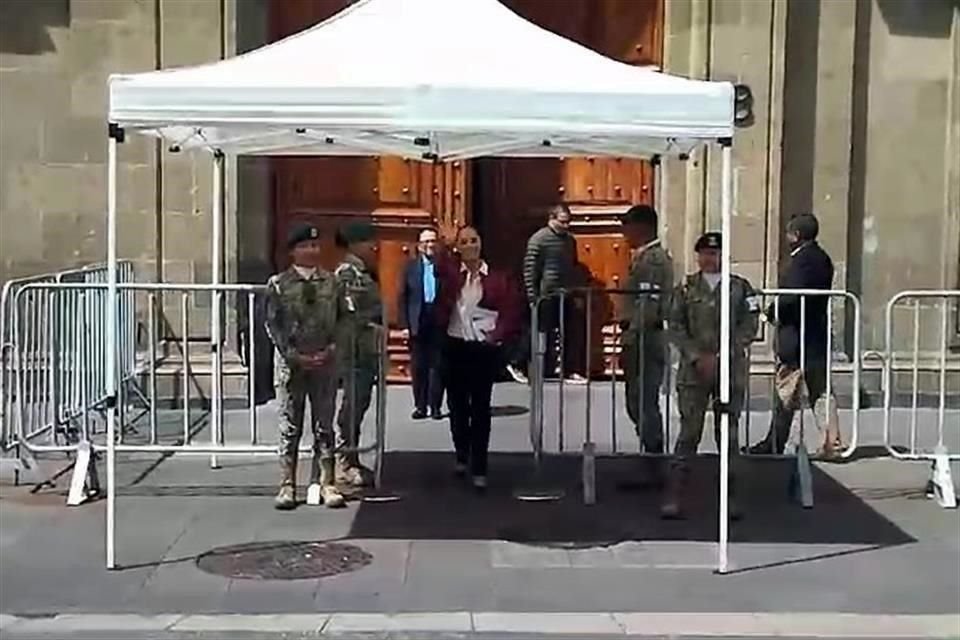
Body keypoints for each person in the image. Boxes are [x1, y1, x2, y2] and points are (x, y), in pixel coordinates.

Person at [662, 232, 760, 519]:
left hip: (729, 370)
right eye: (705, 253)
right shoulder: (686, 288)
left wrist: (722, 355)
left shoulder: (740, 287)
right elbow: (675, 325)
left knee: (728, 434)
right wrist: (696, 356)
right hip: (694, 372)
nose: (710, 258)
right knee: (688, 434)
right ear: (698, 256)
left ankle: (731, 498)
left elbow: (750, 325)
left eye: (715, 253)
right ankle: (675, 495)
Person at [265, 222, 346, 510]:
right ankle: (287, 484)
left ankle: (328, 482)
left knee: (324, 425)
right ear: (293, 252)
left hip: (325, 363)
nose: (311, 250)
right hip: (292, 366)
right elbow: (273, 324)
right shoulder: (279, 285)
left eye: (314, 245)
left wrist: (332, 349)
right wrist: (293, 355)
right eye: (304, 246)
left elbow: (344, 320)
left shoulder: (333, 282)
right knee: (290, 426)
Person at [434, 226, 522, 492]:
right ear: (458, 247)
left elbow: (510, 310)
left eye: (474, 240)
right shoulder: (451, 274)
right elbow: (438, 266)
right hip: (455, 346)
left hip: (483, 349)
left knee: (481, 408)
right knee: (457, 406)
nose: (470, 246)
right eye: (464, 242)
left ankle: (480, 466)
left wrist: (498, 335)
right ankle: (462, 454)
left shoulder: (497, 278)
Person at [748, 213, 843, 457]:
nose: (786, 237)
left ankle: (775, 443)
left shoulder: (802, 261)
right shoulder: (822, 258)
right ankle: (832, 442)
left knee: (786, 392)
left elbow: (791, 296)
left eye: (789, 233)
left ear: (796, 235)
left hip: (797, 337)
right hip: (816, 337)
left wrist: (770, 313)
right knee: (821, 391)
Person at [621, 204, 674, 482]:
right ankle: (651, 457)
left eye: (627, 228)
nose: (624, 234)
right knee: (637, 400)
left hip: (646, 337)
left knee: (643, 401)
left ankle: (654, 462)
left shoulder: (653, 261)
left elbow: (648, 304)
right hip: (640, 335)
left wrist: (632, 333)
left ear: (641, 228)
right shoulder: (643, 257)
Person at [334, 221, 383, 488]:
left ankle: (350, 456)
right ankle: (345, 461)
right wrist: (372, 321)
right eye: (367, 241)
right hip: (353, 350)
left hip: (364, 350)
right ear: (354, 245)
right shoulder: (347, 273)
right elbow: (347, 312)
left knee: (360, 403)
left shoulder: (364, 271)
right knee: (352, 406)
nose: (373, 246)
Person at [522, 203, 585, 383]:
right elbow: (530, 269)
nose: (566, 226)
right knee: (542, 333)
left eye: (568, 222)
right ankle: (539, 370)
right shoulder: (539, 239)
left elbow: (573, 266)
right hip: (546, 295)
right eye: (562, 222)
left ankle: (569, 370)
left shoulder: (570, 241)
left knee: (571, 333)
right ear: (551, 219)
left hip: (566, 293)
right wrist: (532, 296)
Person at [398, 227, 446, 420]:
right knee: (419, 366)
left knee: (438, 366)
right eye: (426, 241)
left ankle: (435, 407)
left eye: (433, 241)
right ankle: (420, 406)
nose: (430, 245)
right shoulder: (410, 267)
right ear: (419, 246)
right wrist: (404, 325)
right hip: (418, 319)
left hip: (439, 319)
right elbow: (403, 297)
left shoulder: (445, 266)